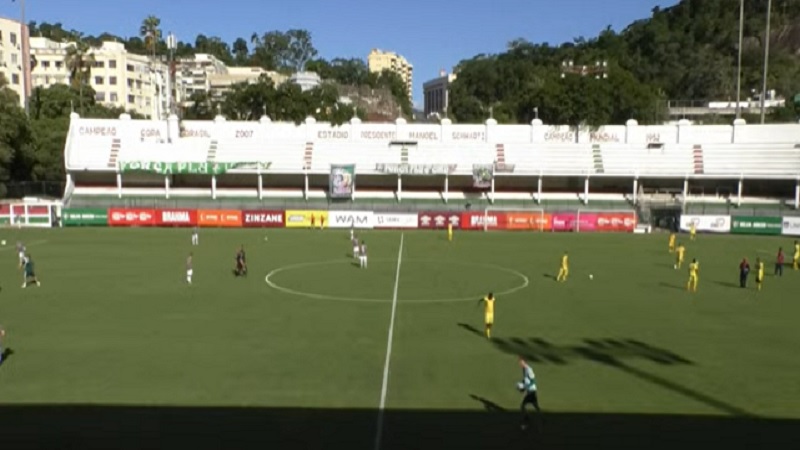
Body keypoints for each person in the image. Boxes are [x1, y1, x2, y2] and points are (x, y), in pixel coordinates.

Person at [518, 358, 540, 430]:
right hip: (530, 391)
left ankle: (526, 420)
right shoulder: (524, 369)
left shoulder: (529, 370)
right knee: (535, 405)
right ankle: (543, 419)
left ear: (525, 362)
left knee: (523, 406)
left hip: (532, 391)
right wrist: (522, 384)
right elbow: (525, 379)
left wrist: (525, 387)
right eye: (520, 363)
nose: (520, 364)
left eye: (521, 362)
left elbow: (533, 381)